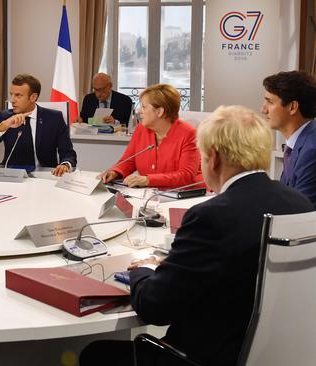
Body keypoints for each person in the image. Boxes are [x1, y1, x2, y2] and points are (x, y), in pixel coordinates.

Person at [80, 105, 313, 366]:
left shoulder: (211, 217)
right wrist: (176, 266)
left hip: (205, 356)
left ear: (212, 158)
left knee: (94, 354)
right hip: (277, 352)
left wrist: (143, 270)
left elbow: (155, 307)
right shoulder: (300, 203)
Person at [98, 84, 201, 189]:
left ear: (159, 111)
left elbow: (186, 175)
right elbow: (129, 161)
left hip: (184, 197)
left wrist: (148, 180)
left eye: (144, 107)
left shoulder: (189, 134)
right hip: (150, 195)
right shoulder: (141, 129)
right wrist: (114, 172)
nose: (139, 111)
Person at [0, 73, 77, 177]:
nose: (13, 100)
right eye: (12, 94)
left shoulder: (54, 118)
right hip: (14, 176)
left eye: (18, 95)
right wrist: (4, 125)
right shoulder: (6, 117)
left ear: (33, 97)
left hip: (45, 177)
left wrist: (65, 164)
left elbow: (68, 153)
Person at [262, 70, 316, 208]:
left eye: (270, 102)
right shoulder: (299, 143)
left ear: (292, 107)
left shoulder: (311, 150)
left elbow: (301, 209)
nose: (264, 110)